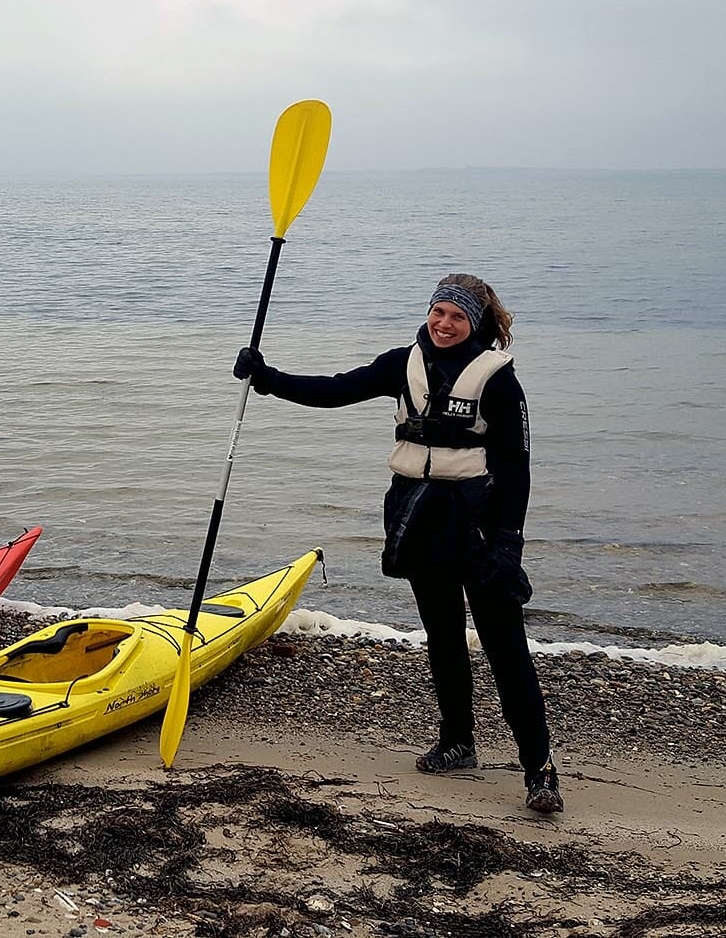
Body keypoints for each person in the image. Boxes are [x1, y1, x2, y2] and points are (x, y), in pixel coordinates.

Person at [234, 273, 563, 813]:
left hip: (478, 525)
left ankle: (540, 770)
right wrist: (269, 379)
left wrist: (510, 543)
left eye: (457, 317)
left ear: (476, 323)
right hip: (420, 518)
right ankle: (458, 742)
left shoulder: (498, 380)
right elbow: (336, 390)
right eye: (439, 312)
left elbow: (518, 468)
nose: (444, 324)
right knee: (441, 635)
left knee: (506, 649)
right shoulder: (401, 363)